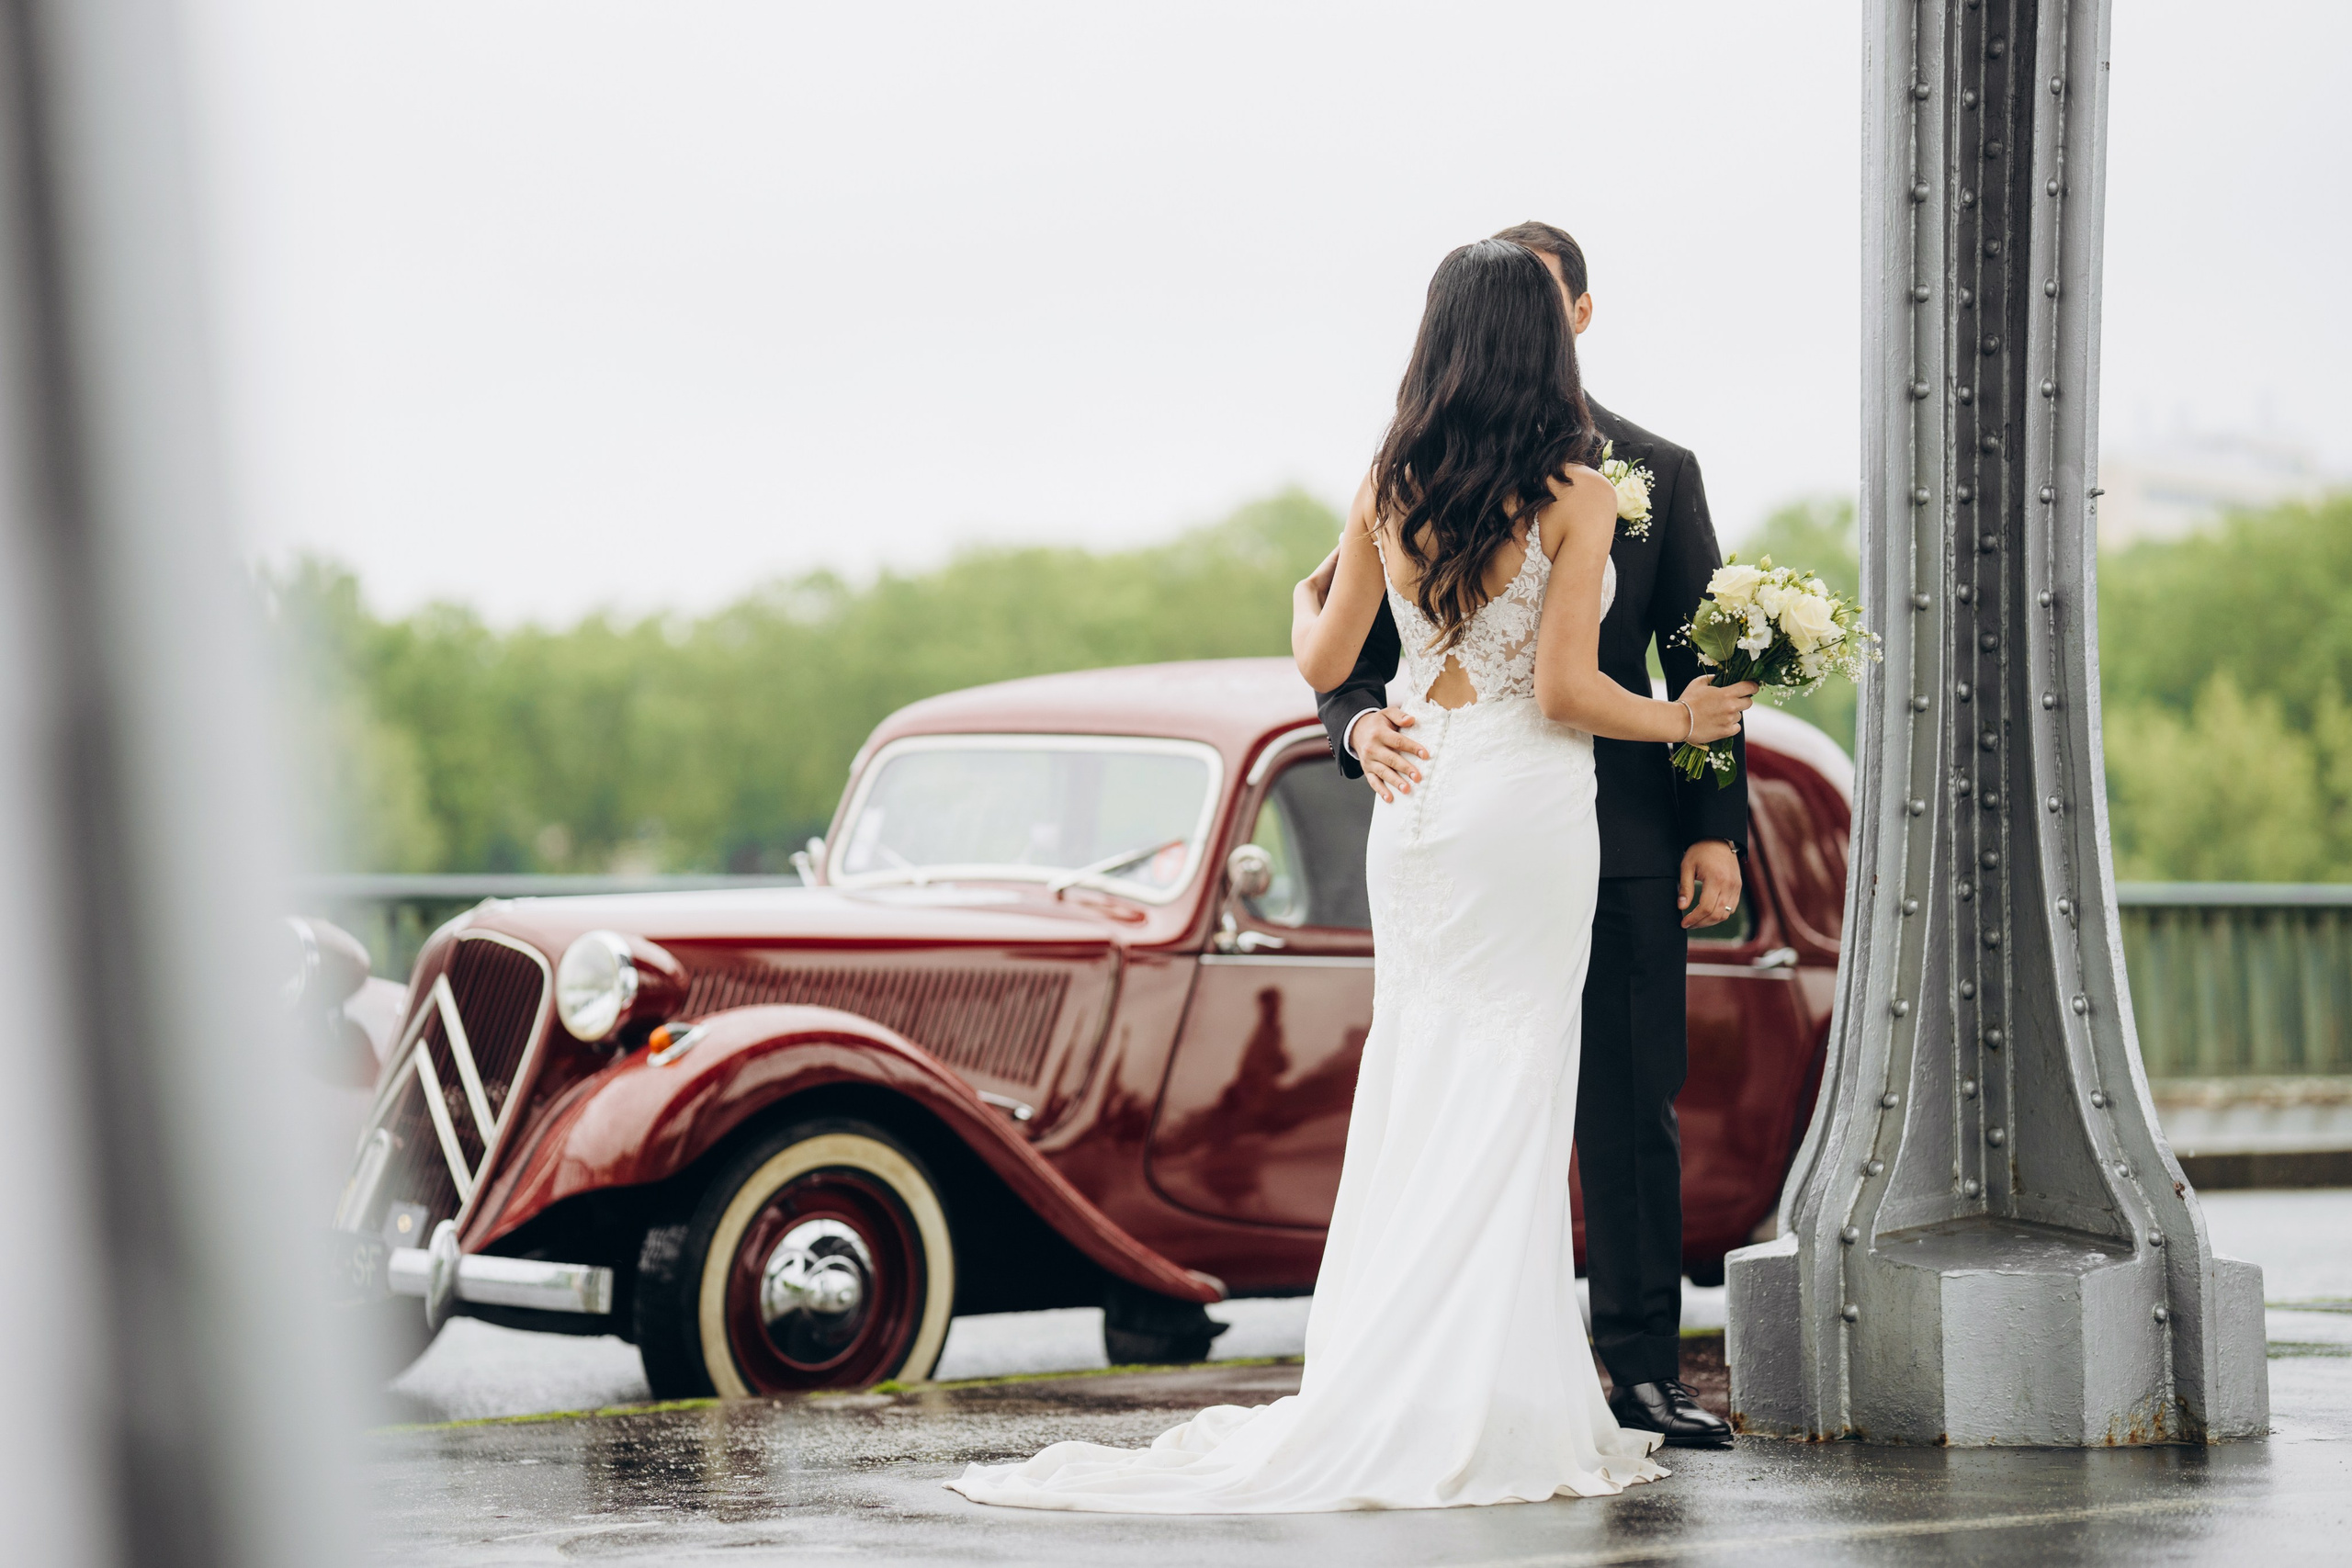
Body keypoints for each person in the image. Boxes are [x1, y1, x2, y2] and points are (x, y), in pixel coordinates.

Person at [944, 238, 1753, 1514]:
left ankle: (1403, 1376)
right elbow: (1561, 690)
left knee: (1421, 1080)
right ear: (1547, 336)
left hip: (1423, 806)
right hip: (1529, 808)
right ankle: (1495, 1387)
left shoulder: (1392, 476)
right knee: (1517, 1094)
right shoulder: (1582, 491)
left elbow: (1325, 653)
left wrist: (1299, 610)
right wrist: (1684, 723)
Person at [1318, 220, 1744, 1449]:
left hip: (1599, 830)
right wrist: (1358, 729)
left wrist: (1715, 829)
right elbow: (1361, 659)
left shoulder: (1654, 467)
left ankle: (1637, 1373)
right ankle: (1482, 1371)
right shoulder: (1466, 475)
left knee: (1618, 1102)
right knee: (1483, 1082)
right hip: (1504, 809)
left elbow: (1701, 651)